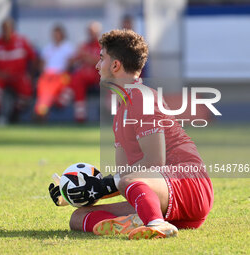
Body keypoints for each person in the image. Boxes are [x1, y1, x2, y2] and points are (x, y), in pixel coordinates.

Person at [49, 29, 214, 240]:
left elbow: (154, 162)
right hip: (162, 196)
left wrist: (104, 184)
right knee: (78, 218)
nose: (97, 66)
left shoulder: (141, 97)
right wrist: (75, 193)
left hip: (190, 185)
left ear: (115, 65)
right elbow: (123, 176)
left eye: (101, 59)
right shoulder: (121, 111)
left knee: (128, 179)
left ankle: (156, 224)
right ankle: (140, 220)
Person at [0, 18, 36, 123]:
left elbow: (33, 59)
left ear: (12, 29)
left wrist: (31, 75)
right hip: (0, 76)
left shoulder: (22, 42)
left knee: (27, 91)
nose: (5, 31)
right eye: (3, 29)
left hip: (18, 76)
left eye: (7, 29)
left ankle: (14, 114)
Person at [58, 22, 101, 122]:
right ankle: (80, 115)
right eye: (89, 32)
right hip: (85, 75)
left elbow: (101, 62)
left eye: (93, 32)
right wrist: (72, 59)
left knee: (78, 76)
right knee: (77, 79)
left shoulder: (103, 45)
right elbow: (75, 59)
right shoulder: (85, 45)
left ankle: (65, 97)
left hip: (99, 75)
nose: (91, 34)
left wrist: (87, 58)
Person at [34, 24, 75, 120]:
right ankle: (41, 111)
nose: (56, 36)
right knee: (43, 90)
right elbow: (42, 63)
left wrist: (62, 74)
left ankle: (41, 111)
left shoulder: (68, 47)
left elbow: (70, 63)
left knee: (50, 90)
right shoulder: (48, 48)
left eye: (58, 34)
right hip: (47, 75)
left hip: (61, 75)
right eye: (54, 34)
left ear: (62, 35)